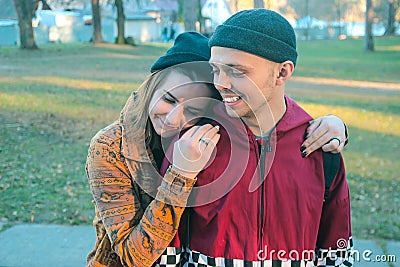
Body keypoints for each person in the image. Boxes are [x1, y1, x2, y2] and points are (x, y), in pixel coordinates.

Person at [86, 31, 349, 267]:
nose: (174, 119)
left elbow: (262, 99)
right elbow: (136, 258)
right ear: (151, 85)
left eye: (193, 109)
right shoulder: (110, 147)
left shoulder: (212, 132)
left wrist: (331, 126)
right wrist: (181, 174)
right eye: (168, 99)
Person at [159, 9, 353, 267]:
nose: (221, 83)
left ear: (282, 73)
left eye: (237, 71)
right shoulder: (193, 144)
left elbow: (336, 254)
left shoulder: (320, 149)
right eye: (216, 69)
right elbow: (164, 250)